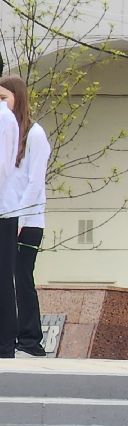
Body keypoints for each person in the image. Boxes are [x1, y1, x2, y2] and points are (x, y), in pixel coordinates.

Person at [0, 76, 51, 358]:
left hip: (27, 221)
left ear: (17, 98)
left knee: (21, 276)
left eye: (4, 98)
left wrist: (19, 216)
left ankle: (30, 339)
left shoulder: (35, 134)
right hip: (9, 217)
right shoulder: (8, 132)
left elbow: (35, 182)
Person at [0, 74, 19, 358]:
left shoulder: (4, 118)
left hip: (3, 209)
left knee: (4, 277)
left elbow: (3, 167)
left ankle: (5, 344)